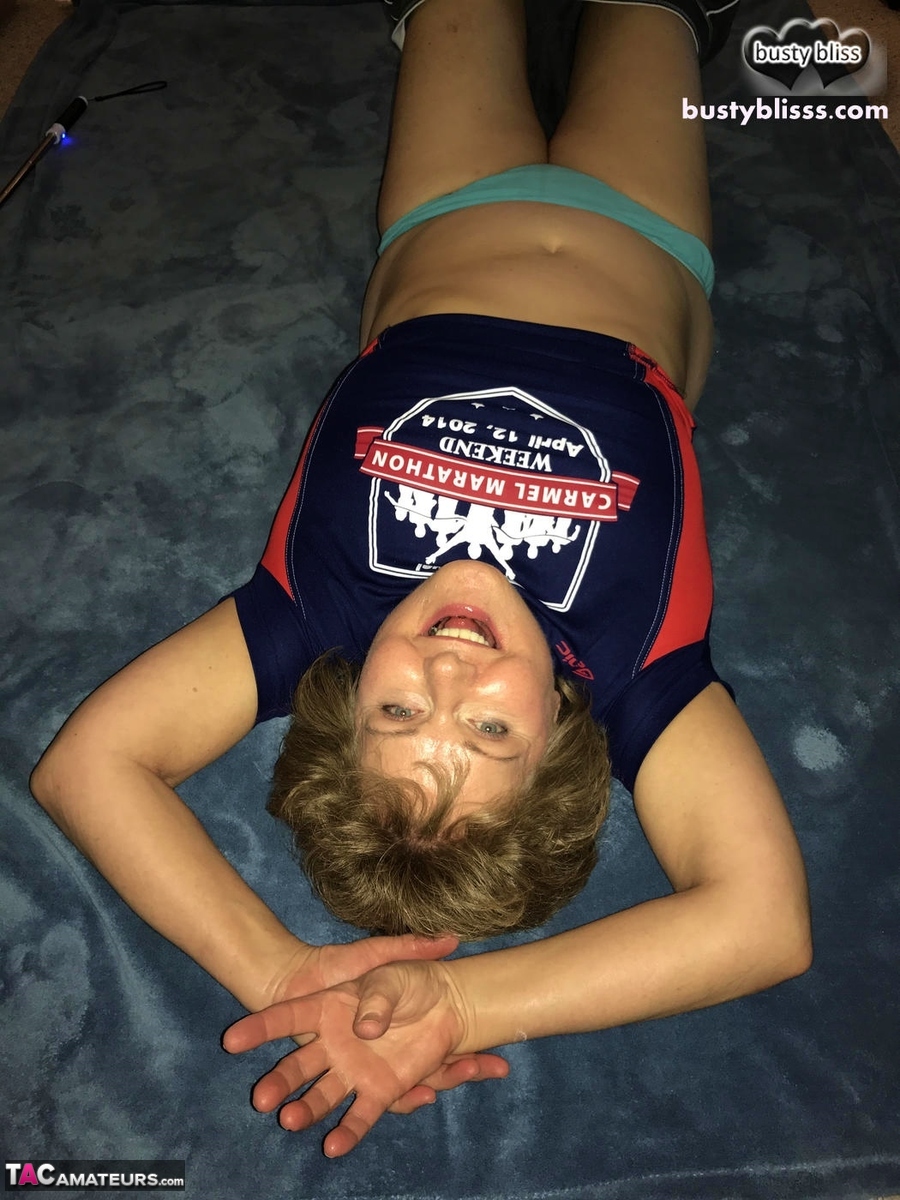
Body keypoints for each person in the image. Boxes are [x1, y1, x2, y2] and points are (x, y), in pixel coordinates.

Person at [30, 0, 812, 1161]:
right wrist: (462, 1001)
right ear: (561, 737)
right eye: (490, 730)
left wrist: (275, 971)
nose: (449, 671)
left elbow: (86, 769)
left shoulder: (315, 613)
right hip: (641, 233)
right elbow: (761, 923)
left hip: (449, 215)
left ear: (349, 700)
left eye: (398, 712)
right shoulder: (635, 669)